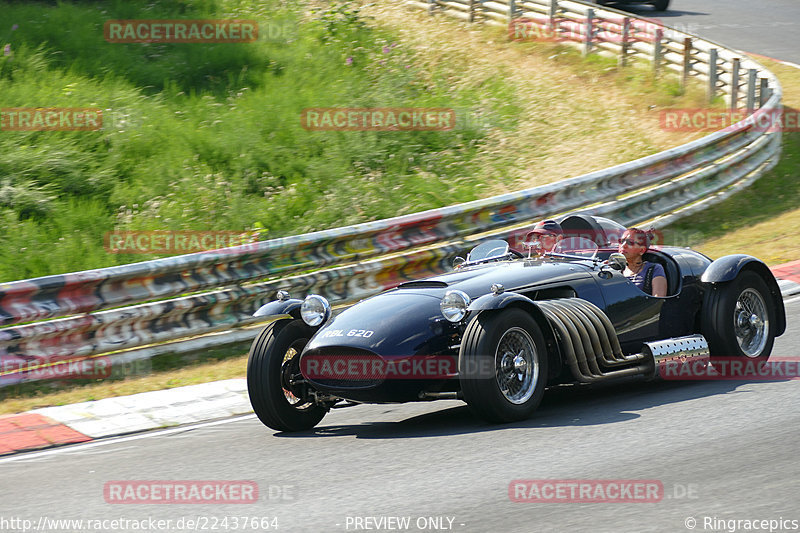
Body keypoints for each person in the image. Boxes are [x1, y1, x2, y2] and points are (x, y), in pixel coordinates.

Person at [618, 227, 667, 297]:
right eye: (621, 241)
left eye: (630, 242)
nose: (623, 246)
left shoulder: (654, 269)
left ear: (642, 250)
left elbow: (658, 300)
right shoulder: (614, 269)